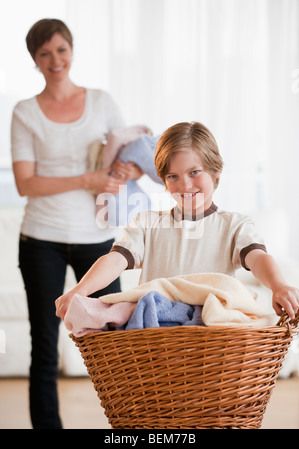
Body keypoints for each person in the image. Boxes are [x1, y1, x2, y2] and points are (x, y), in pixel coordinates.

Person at [10, 18, 141, 429]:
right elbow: (25, 182)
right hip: (41, 240)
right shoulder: (25, 111)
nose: (55, 60)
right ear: (34, 59)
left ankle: (131, 426)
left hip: (98, 240)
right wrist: (87, 179)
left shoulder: (101, 101)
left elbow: (135, 161)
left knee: (115, 340)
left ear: (72, 50)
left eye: (61, 50)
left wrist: (121, 173)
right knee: (44, 346)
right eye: (44, 53)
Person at [56, 121, 299, 324]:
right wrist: (79, 291)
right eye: (173, 176)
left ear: (215, 171)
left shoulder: (234, 225)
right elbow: (115, 260)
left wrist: (278, 286)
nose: (185, 185)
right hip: (159, 339)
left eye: (195, 172)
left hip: (211, 338)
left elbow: (257, 258)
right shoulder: (147, 223)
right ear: (163, 181)